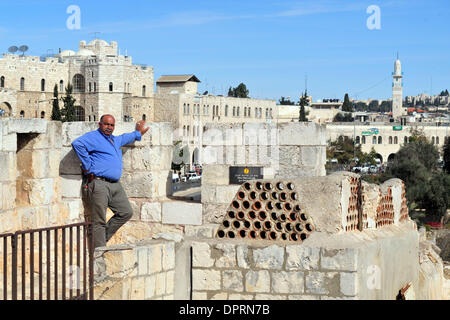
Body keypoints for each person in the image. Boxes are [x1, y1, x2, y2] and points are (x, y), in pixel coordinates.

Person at [72, 114, 150, 249]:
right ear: (100, 124)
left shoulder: (114, 140)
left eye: (112, 125)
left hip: (115, 185)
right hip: (99, 184)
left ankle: (99, 240)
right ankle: (98, 255)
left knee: (126, 212)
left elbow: (125, 137)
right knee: (99, 221)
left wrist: (138, 133)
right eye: (106, 124)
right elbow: (77, 144)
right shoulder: (94, 137)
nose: (109, 127)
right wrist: (87, 165)